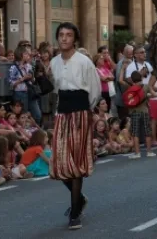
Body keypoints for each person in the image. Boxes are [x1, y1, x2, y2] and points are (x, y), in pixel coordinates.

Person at [49, 22, 101, 230]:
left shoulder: (84, 61)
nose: (64, 38)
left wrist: (86, 112)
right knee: (60, 163)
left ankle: (75, 212)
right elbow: (56, 90)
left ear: (75, 39)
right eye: (61, 34)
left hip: (80, 112)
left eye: (68, 35)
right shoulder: (53, 62)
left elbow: (95, 90)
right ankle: (78, 197)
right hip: (62, 114)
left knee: (77, 163)